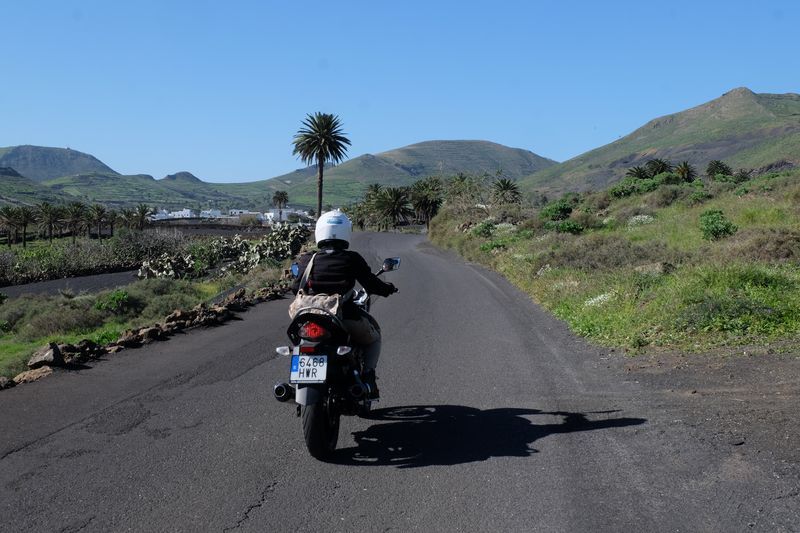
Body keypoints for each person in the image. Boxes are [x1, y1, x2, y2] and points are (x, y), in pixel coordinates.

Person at [291, 209, 397, 398]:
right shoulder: (351, 258)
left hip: (307, 316)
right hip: (342, 315)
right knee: (374, 338)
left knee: (300, 345)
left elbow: (294, 288)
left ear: (319, 231)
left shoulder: (308, 259)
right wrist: (387, 288)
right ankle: (368, 377)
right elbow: (371, 284)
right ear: (345, 232)